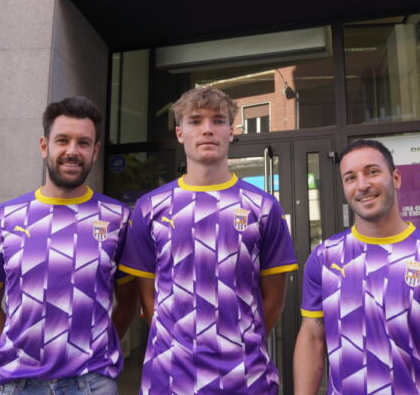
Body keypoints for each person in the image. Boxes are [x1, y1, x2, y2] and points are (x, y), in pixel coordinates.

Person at [119, 86, 298, 394]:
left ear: (231, 131)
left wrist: (237, 343)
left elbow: (275, 302)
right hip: (169, 380)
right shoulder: (149, 207)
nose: (207, 130)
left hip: (247, 379)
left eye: (218, 120)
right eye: (195, 121)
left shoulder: (264, 206)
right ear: (179, 133)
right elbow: (150, 302)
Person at [0, 96, 137, 395]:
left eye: (83, 143)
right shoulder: (3, 218)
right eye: (62, 140)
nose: (72, 151)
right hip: (16, 384)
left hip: (91, 383)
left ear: (95, 151)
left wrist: (97, 348)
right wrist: (21, 350)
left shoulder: (119, 219)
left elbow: (129, 302)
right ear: (44, 146)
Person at [294, 139, 420, 395]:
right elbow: (312, 339)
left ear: (395, 178)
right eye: (350, 178)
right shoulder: (324, 258)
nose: (362, 185)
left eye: (372, 171)